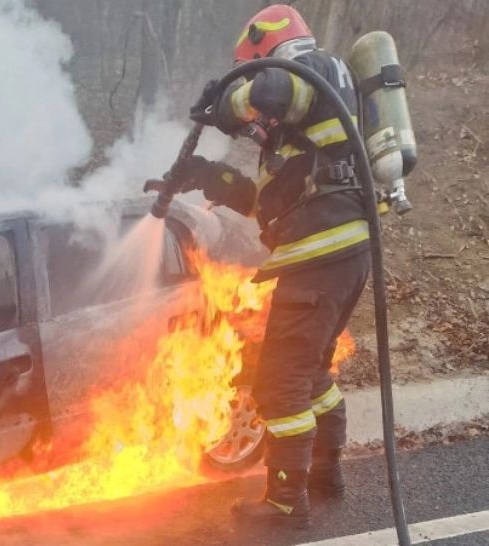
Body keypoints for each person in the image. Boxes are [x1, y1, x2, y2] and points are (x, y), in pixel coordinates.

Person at [172, 4, 370, 528]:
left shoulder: (314, 69)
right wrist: (207, 175)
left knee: (278, 383)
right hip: (339, 255)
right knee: (311, 376)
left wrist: (224, 102)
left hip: (319, 259)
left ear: (266, 50)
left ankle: (286, 503)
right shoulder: (315, 119)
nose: (260, 124)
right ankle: (326, 476)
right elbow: (272, 204)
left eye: (253, 65)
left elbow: (269, 94)